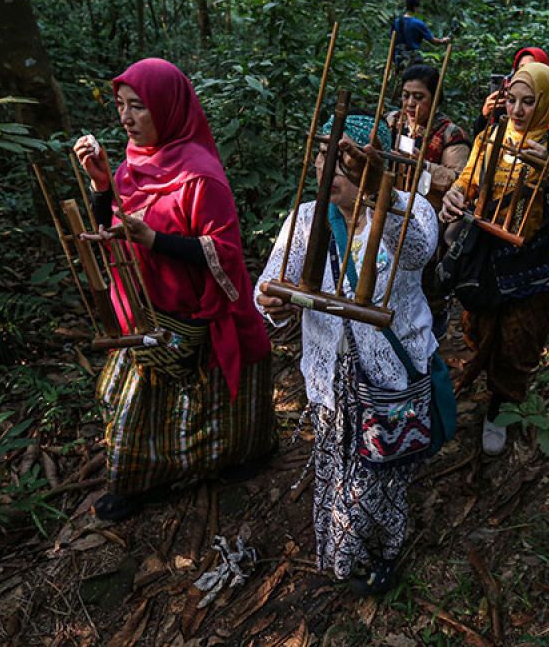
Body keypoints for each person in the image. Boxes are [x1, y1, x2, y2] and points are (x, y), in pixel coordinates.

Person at [73, 58, 274, 522]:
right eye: (122, 107)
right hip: (147, 309)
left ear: (167, 108)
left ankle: (242, 457)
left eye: (138, 108)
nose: (126, 119)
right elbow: (114, 225)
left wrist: (156, 241)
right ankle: (138, 482)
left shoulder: (201, 175)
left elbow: (224, 252)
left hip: (195, 312)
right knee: (126, 404)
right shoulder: (131, 165)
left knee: (219, 412)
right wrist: (102, 183)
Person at [255, 114, 439, 596]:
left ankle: (383, 552)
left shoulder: (410, 211)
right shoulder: (305, 221)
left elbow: (419, 252)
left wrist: (386, 196)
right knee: (336, 461)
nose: (329, 167)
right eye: (324, 156)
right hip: (329, 373)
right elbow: (270, 282)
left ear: (373, 166)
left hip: (391, 369)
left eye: (346, 159)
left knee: (383, 471)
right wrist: (271, 302)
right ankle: (346, 551)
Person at [440, 63, 549, 456]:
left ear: (546, 102)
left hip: (534, 267)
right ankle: (474, 383)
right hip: (486, 260)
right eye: (512, 100)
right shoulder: (491, 136)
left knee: (518, 341)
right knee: (478, 329)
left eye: (529, 102)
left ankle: (500, 404)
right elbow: (468, 181)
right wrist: (454, 197)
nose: (517, 110)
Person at [387, 63, 471, 337]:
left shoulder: (450, 134)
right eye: (406, 95)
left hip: (429, 223)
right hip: (389, 216)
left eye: (419, 97)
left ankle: (431, 333)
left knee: (426, 287)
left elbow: (460, 179)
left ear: (434, 98)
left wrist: (421, 166)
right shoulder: (392, 122)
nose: (410, 103)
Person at [475, 46, 549, 137]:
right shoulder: (505, 101)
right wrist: (484, 116)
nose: (517, 111)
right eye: (521, 68)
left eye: (528, 102)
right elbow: (481, 140)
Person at [390, 0, 449, 68]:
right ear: (415, 8)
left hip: (398, 59)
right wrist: (443, 40)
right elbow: (433, 41)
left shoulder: (396, 22)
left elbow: (392, 40)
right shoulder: (418, 23)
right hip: (412, 60)